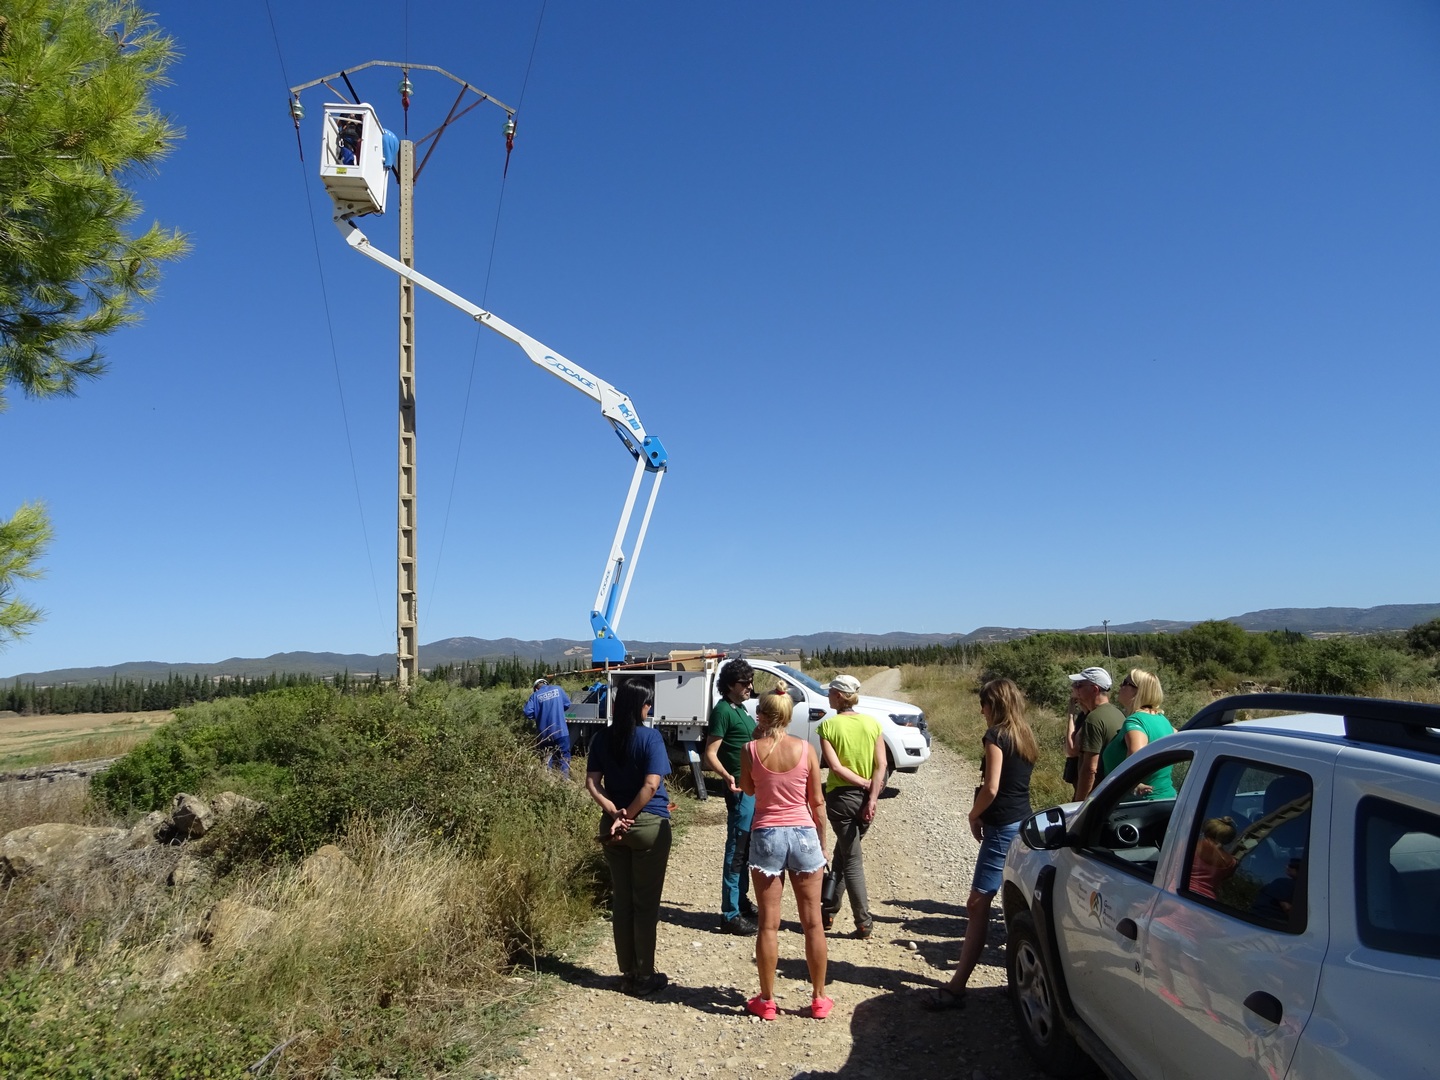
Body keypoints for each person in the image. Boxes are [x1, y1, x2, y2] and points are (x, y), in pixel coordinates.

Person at [925, 677, 1037, 1010]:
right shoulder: (1024, 734)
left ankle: (957, 987)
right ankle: (1019, 980)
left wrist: (973, 815)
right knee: (1015, 902)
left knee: (977, 904)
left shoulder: (995, 736)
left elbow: (991, 787)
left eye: (983, 704)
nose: (981, 711)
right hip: (1023, 822)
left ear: (994, 705)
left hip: (1001, 828)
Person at [740, 690, 830, 1020]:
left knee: (768, 924)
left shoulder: (750, 750)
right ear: (789, 717)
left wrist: (757, 742)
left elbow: (748, 789)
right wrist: (822, 843)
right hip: (803, 833)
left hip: (767, 834)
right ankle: (819, 998)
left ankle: (767, 1000)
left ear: (761, 716)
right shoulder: (806, 750)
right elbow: (817, 802)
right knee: (813, 922)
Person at [584, 680, 673, 998]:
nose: (650, 709)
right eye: (648, 704)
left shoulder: (601, 738)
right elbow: (651, 785)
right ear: (641, 706)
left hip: (612, 827)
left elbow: (592, 782)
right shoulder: (651, 738)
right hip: (647, 824)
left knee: (622, 900)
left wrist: (614, 813)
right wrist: (630, 816)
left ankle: (627, 972)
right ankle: (645, 974)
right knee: (645, 904)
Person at [817, 673, 887, 938]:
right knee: (844, 854)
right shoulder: (872, 724)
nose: (827, 696)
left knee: (851, 860)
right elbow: (882, 765)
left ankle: (863, 922)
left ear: (838, 696)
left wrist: (862, 783)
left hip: (841, 800)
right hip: (866, 800)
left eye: (830, 692)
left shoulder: (828, 726)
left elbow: (835, 767)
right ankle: (828, 911)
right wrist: (872, 795)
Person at [702, 659, 759, 935]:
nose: (750, 686)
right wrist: (727, 777)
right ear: (729, 685)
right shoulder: (722, 711)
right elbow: (710, 754)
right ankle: (730, 914)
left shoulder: (742, 709)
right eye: (744, 683)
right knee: (736, 850)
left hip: (751, 789)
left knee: (745, 849)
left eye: (750, 681)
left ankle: (741, 902)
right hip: (739, 791)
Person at [1104, 668, 1177, 798]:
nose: (1120, 685)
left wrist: (1132, 784)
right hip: (1167, 798)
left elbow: (1137, 756)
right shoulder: (1162, 720)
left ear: (1138, 691)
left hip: (1141, 804)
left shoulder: (1135, 721)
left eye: (1125, 682)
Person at [1070, 667, 1125, 800]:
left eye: (1079, 685)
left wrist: (1079, 803)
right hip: (1113, 792)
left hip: (1097, 796)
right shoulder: (1118, 713)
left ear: (1094, 689)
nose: (1074, 688)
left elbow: (1090, 769)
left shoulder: (1093, 719)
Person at [523, 677, 573, 775]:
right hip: (561, 731)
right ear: (546, 684)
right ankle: (564, 778)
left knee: (546, 756)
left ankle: (548, 779)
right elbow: (567, 704)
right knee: (564, 755)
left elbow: (527, 712)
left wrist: (538, 714)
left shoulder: (535, 696)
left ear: (536, 688)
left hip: (544, 734)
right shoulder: (558, 689)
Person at [1188, 816, 1238, 900]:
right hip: (1208, 902)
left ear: (1206, 831)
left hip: (1179, 895)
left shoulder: (1190, 846)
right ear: (1229, 839)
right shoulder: (1232, 863)